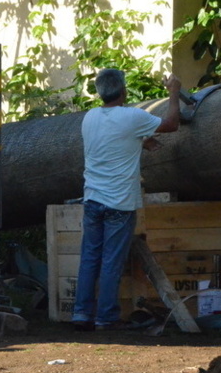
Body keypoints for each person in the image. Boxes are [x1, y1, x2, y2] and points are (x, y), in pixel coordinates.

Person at [72, 68, 181, 331]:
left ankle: (81, 314)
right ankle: (106, 318)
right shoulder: (132, 116)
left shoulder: (90, 117)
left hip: (93, 199)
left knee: (89, 258)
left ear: (100, 92)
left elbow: (111, 140)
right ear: (123, 90)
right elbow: (172, 124)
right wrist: (174, 93)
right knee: (111, 261)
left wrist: (141, 141)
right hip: (119, 202)